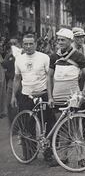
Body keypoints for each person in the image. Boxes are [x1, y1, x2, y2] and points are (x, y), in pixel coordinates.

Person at [47, 28, 85, 167]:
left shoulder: (78, 55)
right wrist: (50, 96)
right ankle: (63, 157)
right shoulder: (54, 56)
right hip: (57, 95)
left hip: (72, 95)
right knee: (62, 127)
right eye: (58, 40)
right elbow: (49, 77)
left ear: (70, 41)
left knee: (75, 128)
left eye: (63, 40)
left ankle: (81, 157)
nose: (60, 42)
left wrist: (83, 93)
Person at [10, 33, 56, 163]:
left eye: (31, 43)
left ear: (36, 44)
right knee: (27, 126)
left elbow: (50, 77)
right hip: (26, 96)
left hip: (42, 94)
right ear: (22, 45)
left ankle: (48, 154)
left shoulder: (44, 58)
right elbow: (17, 78)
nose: (28, 46)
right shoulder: (19, 59)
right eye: (26, 44)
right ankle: (30, 153)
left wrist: (50, 95)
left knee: (47, 124)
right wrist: (13, 95)